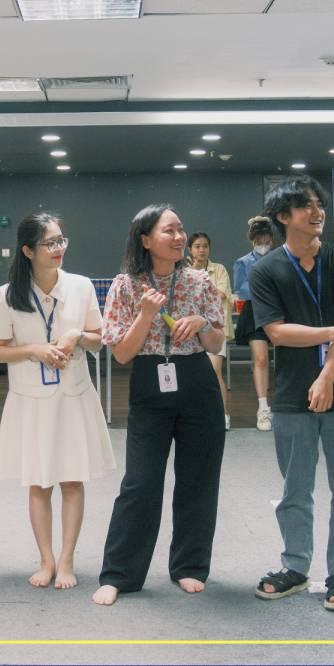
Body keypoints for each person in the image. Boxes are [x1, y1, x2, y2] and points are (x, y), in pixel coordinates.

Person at [92, 205, 226, 606]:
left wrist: (202, 323)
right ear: (146, 239)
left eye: (181, 229)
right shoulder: (125, 285)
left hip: (198, 380)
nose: (180, 237)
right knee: (140, 484)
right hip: (150, 382)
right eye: (169, 230)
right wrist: (147, 315)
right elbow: (121, 353)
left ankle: (189, 565)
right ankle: (119, 574)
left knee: (198, 480)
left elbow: (217, 342)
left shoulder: (200, 281)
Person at [248, 176, 334, 612]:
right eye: (306, 206)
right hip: (291, 394)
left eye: (320, 204)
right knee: (295, 488)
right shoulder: (265, 270)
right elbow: (277, 333)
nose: (317, 212)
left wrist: (328, 376)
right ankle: (295, 566)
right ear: (283, 216)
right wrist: (332, 332)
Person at [0, 214, 115, 589]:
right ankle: (46, 560)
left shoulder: (81, 286)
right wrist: (34, 350)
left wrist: (76, 335)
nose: (59, 249)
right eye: (50, 243)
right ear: (28, 251)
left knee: (72, 482)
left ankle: (66, 560)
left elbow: (99, 339)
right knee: (39, 484)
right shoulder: (8, 294)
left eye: (61, 241)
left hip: (72, 394)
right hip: (31, 400)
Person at [188, 231, 233, 430]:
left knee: (215, 372)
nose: (202, 250)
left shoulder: (219, 269)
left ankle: (223, 414)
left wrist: (200, 283)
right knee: (193, 376)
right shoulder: (185, 272)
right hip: (192, 332)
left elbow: (222, 293)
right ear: (190, 250)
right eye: (197, 246)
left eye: (205, 246)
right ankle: (197, 416)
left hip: (215, 328)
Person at [233, 215, 275, 431]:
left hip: (278, 312)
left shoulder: (280, 258)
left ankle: (285, 407)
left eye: (267, 242)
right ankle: (263, 407)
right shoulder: (243, 262)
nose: (264, 246)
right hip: (254, 313)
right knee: (261, 359)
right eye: (259, 242)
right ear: (252, 241)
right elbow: (240, 291)